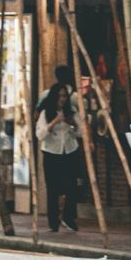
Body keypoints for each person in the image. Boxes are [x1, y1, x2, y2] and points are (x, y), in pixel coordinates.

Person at [35, 66, 85, 234]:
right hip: (51, 152)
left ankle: (69, 218)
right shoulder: (46, 113)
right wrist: (54, 122)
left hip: (70, 151)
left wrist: (72, 124)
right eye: (60, 96)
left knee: (72, 187)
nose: (62, 99)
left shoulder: (72, 111)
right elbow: (40, 134)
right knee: (53, 188)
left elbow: (81, 132)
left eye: (64, 96)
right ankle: (53, 222)